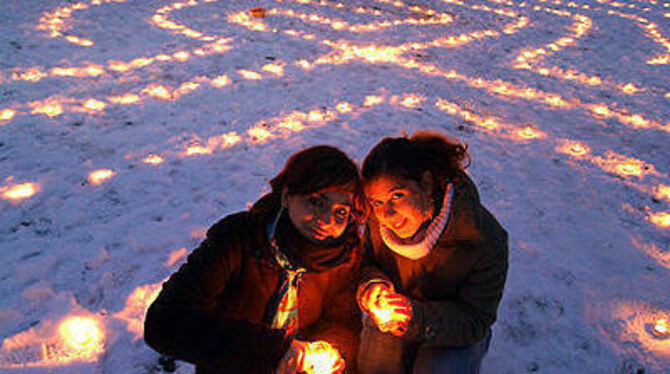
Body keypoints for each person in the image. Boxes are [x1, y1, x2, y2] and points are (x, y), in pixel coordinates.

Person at [144, 145, 366, 374]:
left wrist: (331, 352)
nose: (326, 220)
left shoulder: (344, 258)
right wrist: (274, 352)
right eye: (316, 201)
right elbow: (164, 323)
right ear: (288, 196)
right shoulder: (238, 239)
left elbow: (343, 323)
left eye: (341, 212)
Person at [356, 132, 508, 374]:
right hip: (396, 320)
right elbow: (366, 264)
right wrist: (374, 287)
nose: (388, 214)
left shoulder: (481, 237)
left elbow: (475, 318)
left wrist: (416, 319)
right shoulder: (379, 224)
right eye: (377, 202)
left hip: (453, 330)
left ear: (426, 184)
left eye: (397, 196)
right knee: (376, 363)